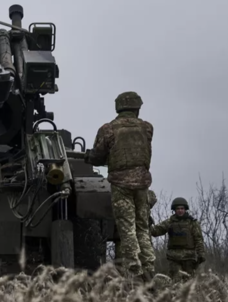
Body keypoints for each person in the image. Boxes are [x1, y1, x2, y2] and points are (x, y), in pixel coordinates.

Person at [85, 91, 155, 281]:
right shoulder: (147, 127)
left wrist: (89, 157)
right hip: (142, 183)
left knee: (127, 227)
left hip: (120, 183)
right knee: (142, 226)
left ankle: (134, 268)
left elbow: (98, 156)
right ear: (137, 107)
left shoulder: (108, 129)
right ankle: (149, 264)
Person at [150, 197, 206, 278]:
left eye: (182, 208)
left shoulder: (192, 223)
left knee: (188, 282)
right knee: (175, 280)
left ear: (185, 209)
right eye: (178, 208)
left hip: (189, 258)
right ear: (174, 210)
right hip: (174, 258)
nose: (180, 210)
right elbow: (156, 231)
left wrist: (201, 254)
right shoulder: (170, 222)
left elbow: (198, 239)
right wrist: (147, 223)